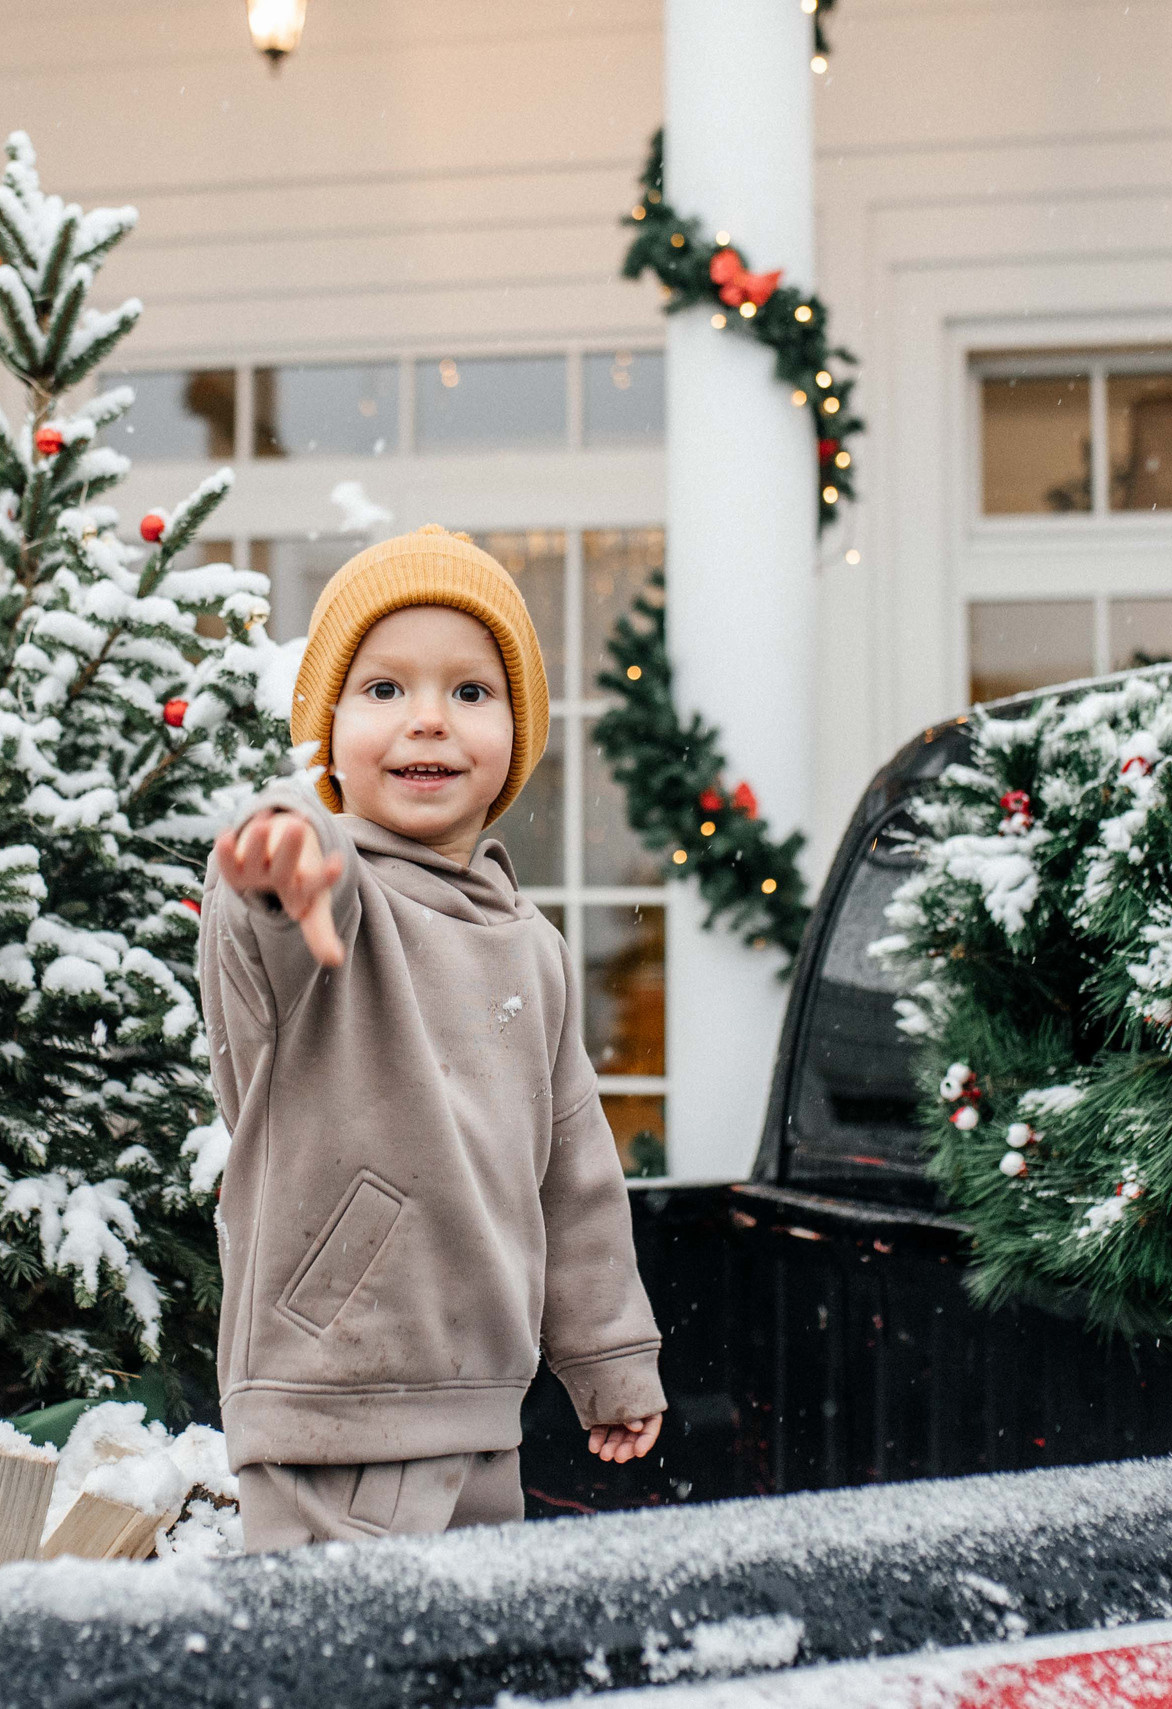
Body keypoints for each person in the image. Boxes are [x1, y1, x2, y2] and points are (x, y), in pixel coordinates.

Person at [197, 525, 667, 1552]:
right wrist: (284, 849)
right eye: (383, 690)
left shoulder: (528, 944)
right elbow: (274, 899)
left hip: (480, 1410)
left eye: (469, 690)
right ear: (327, 727)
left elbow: (574, 1174)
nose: (428, 721)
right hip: (335, 1400)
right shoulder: (335, 904)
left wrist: (608, 1353)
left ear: (515, 730)